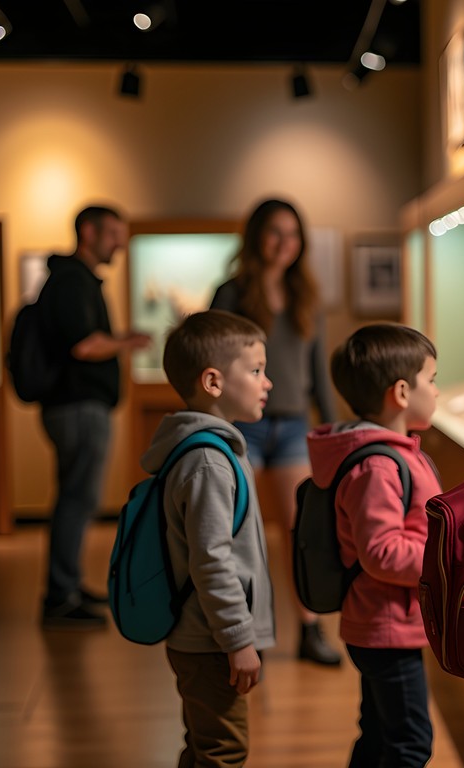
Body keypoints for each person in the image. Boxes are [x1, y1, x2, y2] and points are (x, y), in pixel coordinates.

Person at [142, 309, 276, 768]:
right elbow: (212, 560)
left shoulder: (211, 452)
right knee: (225, 750)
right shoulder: (208, 462)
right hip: (211, 640)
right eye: (256, 371)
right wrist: (238, 639)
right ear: (214, 382)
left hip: (205, 635)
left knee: (203, 744)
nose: (267, 382)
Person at [210, 198, 340, 665]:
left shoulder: (308, 297)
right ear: (255, 237)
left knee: (297, 530)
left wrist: (332, 428)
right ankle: (243, 634)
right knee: (238, 532)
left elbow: (316, 370)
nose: (284, 243)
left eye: (292, 234)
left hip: (292, 426)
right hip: (242, 424)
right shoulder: (231, 294)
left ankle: (309, 630)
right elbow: (213, 361)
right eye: (274, 232)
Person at [307, 323, 441, 767]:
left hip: (386, 621)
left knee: (381, 733)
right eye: (432, 380)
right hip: (385, 624)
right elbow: (381, 551)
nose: (437, 391)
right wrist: (446, 559)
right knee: (410, 743)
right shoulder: (379, 465)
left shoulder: (394, 453)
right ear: (401, 392)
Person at [37, 205, 151, 629]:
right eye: (114, 234)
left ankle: (67, 584)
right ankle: (61, 595)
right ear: (89, 232)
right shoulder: (71, 281)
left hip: (80, 408)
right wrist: (126, 341)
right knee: (76, 499)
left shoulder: (74, 279)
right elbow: (83, 345)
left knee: (76, 498)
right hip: (78, 408)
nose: (119, 243)